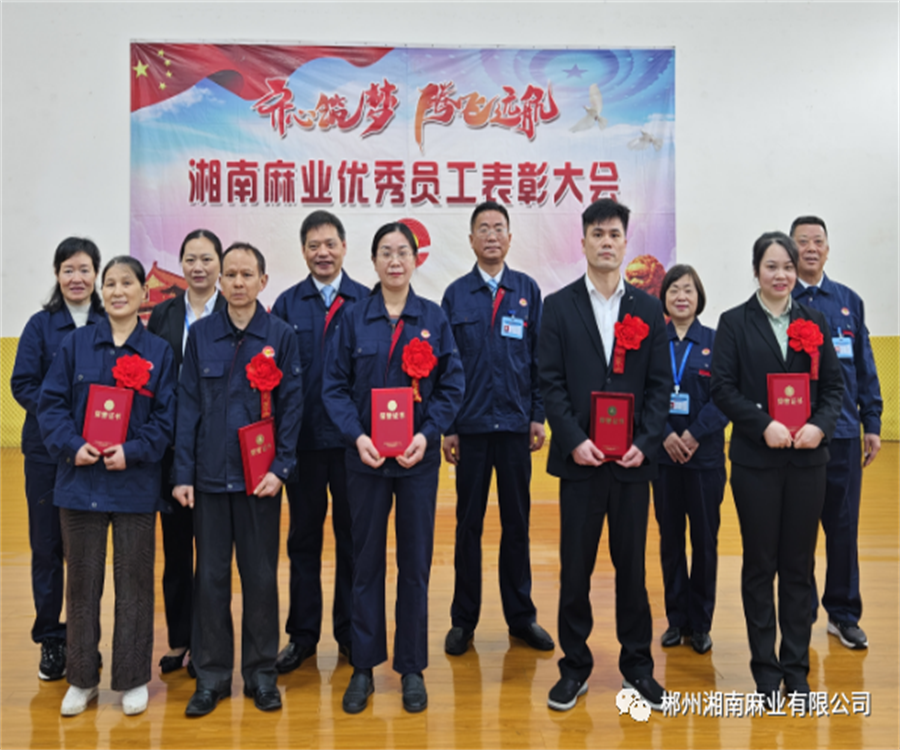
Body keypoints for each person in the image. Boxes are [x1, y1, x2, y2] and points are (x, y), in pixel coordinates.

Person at [322, 222, 464, 714]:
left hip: (417, 461)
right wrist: (357, 437)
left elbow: (452, 386)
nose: (395, 260)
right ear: (374, 261)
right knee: (365, 563)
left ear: (416, 259)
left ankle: (411, 668)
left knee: (415, 565)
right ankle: (363, 666)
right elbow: (333, 388)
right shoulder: (352, 319)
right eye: (386, 252)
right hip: (364, 460)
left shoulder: (434, 318)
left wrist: (427, 436)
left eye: (403, 252)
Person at [538, 199, 671, 712]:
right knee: (575, 570)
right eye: (597, 234)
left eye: (614, 234)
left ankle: (638, 666)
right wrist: (574, 439)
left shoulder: (648, 309)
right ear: (584, 242)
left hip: (632, 465)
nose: (606, 242)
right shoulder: (558, 306)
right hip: (581, 463)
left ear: (626, 242)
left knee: (632, 570)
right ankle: (574, 667)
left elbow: (659, 385)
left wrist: (645, 442)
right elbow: (550, 382)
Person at [37, 256, 176, 716]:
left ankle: (132, 678)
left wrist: (132, 451)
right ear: (102, 291)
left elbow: (166, 419)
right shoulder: (75, 344)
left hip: (134, 482)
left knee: (134, 584)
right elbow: (50, 405)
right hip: (80, 482)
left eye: (127, 283)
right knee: (81, 583)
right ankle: (81, 679)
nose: (118, 291)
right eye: (110, 283)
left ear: (144, 293)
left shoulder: (159, 352)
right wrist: (72, 445)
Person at [172, 243, 303, 717]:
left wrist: (280, 469)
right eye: (231, 274)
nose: (238, 282)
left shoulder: (280, 335)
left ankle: (261, 674)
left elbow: (292, 407)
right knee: (210, 579)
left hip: (259, 482)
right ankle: (211, 677)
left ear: (263, 281)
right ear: (220, 282)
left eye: (248, 274)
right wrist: (182, 473)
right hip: (209, 479)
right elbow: (187, 407)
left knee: (261, 578)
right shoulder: (201, 335)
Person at [711, 231, 843, 699]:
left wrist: (820, 426)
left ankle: (797, 669)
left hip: (808, 463)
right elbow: (722, 387)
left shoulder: (815, 320)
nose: (781, 274)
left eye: (787, 266)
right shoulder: (734, 322)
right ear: (756, 271)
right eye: (771, 266)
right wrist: (762, 424)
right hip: (756, 464)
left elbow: (834, 388)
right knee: (760, 565)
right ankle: (765, 671)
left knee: (799, 566)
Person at [440, 201, 553, 656]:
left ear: (509, 238)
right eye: (483, 228)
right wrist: (448, 425)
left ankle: (521, 617)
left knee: (517, 524)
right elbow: (446, 368)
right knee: (467, 525)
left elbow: (540, 359)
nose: (491, 235)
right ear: (471, 240)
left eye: (498, 228)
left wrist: (538, 415)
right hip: (468, 429)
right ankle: (463, 621)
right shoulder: (455, 294)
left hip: (513, 428)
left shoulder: (527, 290)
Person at [271, 211, 369, 673]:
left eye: (330, 244)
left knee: (353, 541)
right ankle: (303, 636)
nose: (323, 253)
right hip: (305, 445)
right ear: (303, 251)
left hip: (354, 446)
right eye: (314, 245)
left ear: (344, 247)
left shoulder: (366, 301)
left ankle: (350, 633)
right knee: (303, 541)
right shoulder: (286, 305)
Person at [11, 237, 106, 683]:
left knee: (87, 550)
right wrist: (64, 421)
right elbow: (23, 385)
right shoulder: (40, 326)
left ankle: (85, 639)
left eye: (85, 269)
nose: (77, 278)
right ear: (56, 274)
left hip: (96, 454)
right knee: (47, 546)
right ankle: (52, 638)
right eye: (69, 269)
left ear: (96, 274)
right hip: (48, 453)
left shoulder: (109, 322)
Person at [790, 216, 882, 650]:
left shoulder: (848, 302)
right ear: (790, 250)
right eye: (802, 241)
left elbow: (865, 365)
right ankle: (801, 613)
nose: (811, 248)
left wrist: (872, 423)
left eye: (818, 241)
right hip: (796, 438)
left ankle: (843, 614)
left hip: (843, 434)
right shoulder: (780, 302)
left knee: (843, 528)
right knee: (799, 530)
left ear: (828, 249)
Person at [147, 229, 226, 675]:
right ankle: (180, 639)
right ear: (181, 264)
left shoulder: (232, 311)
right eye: (190, 259)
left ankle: (206, 643)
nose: (198, 267)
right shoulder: (164, 313)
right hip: (172, 449)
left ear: (220, 264)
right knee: (176, 551)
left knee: (211, 554)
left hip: (216, 450)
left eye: (207, 259)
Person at [652, 265, 728, 655]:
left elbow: (727, 396)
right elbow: (643, 394)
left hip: (705, 460)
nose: (681, 297)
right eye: (674, 290)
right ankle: (676, 619)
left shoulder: (717, 342)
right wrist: (665, 434)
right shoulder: (652, 343)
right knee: (670, 541)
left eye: (689, 290)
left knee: (704, 542)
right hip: (663, 460)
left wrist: (695, 433)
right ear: (664, 298)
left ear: (699, 297)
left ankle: (701, 623)